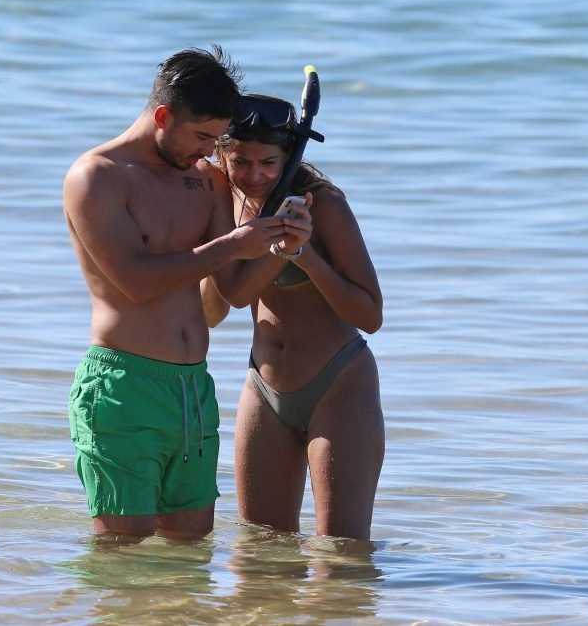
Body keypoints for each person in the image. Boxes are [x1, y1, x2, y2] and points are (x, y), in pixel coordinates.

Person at [62, 48, 313, 539]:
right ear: (162, 116)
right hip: (123, 385)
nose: (208, 151)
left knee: (190, 551)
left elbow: (235, 289)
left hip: (193, 390)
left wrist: (284, 247)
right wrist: (232, 244)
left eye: (216, 139)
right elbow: (135, 282)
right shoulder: (97, 176)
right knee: (123, 549)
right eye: (201, 137)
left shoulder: (204, 179)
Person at [202, 93, 384, 540]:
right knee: (260, 550)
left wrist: (305, 256)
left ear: (288, 157)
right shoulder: (223, 204)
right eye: (241, 162)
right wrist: (260, 247)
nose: (255, 174)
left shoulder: (322, 205)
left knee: (342, 553)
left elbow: (370, 314)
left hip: (340, 385)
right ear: (222, 155)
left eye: (268, 162)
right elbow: (227, 301)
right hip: (263, 388)